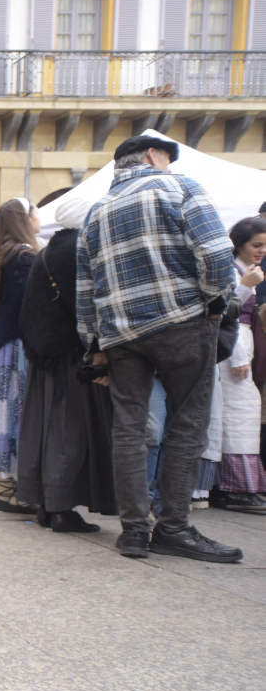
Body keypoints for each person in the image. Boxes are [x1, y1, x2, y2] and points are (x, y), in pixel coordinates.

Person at [76, 134, 240, 563]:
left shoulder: (96, 213)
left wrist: (93, 346)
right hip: (181, 321)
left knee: (128, 428)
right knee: (187, 424)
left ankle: (133, 531)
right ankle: (173, 526)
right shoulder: (179, 187)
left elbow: (85, 289)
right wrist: (214, 299)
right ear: (153, 155)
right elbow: (218, 252)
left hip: (122, 335)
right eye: (166, 156)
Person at [16, 208, 117, 530]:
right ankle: (61, 507)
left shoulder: (48, 251)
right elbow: (85, 303)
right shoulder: (78, 248)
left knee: (46, 429)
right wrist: (97, 350)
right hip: (71, 353)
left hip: (44, 354)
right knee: (68, 430)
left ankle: (47, 504)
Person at [0, 199, 40, 513]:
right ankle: (10, 491)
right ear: (24, 220)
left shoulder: (3, 254)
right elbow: (29, 308)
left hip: (2, 346)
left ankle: (3, 488)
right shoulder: (25, 256)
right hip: (18, 347)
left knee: (1, 414)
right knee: (15, 414)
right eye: (35, 214)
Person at [208, 216, 266, 512]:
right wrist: (239, 355)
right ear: (240, 244)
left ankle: (244, 485)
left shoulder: (246, 269)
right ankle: (234, 487)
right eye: (257, 245)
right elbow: (225, 311)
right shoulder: (232, 271)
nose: (262, 251)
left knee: (243, 412)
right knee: (238, 413)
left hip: (240, 343)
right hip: (233, 346)